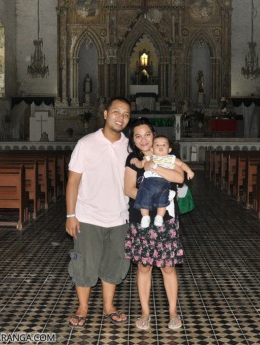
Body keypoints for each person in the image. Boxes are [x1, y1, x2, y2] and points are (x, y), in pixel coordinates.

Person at [65, 96, 132, 328]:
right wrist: (70, 215)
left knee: (114, 262)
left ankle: (109, 306)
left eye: (125, 114)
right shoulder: (86, 143)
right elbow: (73, 181)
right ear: (105, 114)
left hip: (119, 216)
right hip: (88, 216)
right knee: (85, 263)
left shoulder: (131, 147)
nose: (120, 117)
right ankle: (83, 308)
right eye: (116, 112)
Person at [124, 117, 188, 331]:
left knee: (168, 267)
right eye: (138, 135)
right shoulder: (133, 159)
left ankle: (172, 311)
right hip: (142, 218)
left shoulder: (167, 155)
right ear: (133, 140)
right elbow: (128, 188)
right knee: (144, 266)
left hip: (166, 219)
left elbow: (179, 179)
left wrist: (157, 167)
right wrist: (148, 204)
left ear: (154, 135)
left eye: (147, 134)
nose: (143, 139)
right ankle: (145, 311)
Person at [131, 135, 194, 228]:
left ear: (169, 150)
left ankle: (159, 217)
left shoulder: (171, 158)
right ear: (152, 149)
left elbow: (182, 164)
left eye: (164, 145)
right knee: (144, 200)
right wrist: (136, 161)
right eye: (157, 145)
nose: (160, 147)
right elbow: (141, 165)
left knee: (162, 202)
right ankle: (145, 217)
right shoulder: (149, 157)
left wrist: (189, 171)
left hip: (163, 183)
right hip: (148, 183)